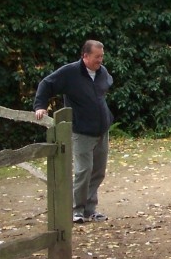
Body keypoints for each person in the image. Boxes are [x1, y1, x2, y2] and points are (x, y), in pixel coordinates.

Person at [34, 40, 114, 224]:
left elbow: (106, 84)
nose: (100, 60)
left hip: (102, 130)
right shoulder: (69, 73)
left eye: (102, 56)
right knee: (83, 170)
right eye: (96, 57)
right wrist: (40, 106)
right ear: (84, 56)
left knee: (98, 171)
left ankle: (90, 209)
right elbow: (46, 84)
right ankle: (76, 210)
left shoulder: (102, 72)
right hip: (81, 131)